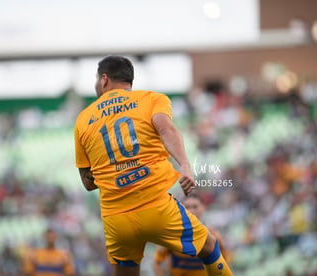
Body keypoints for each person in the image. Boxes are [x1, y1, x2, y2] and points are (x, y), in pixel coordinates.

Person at [74, 55, 233, 276]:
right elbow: (166, 129)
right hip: (156, 206)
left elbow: (88, 183)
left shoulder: (83, 120)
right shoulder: (151, 99)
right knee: (209, 247)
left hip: (116, 218)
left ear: (104, 80)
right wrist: (185, 165)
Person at [152, 194, 229, 276]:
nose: (191, 211)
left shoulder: (214, 237)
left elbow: (223, 265)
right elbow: (157, 263)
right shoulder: (172, 235)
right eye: (187, 207)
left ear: (203, 208)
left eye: (195, 207)